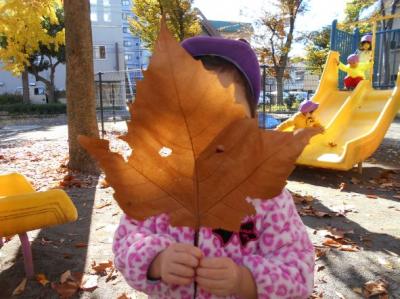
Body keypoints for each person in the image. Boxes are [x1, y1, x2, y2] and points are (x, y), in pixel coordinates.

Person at [112, 36, 315, 299]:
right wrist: (156, 260)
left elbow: (299, 272)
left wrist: (245, 280)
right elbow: (125, 243)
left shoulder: (267, 197)